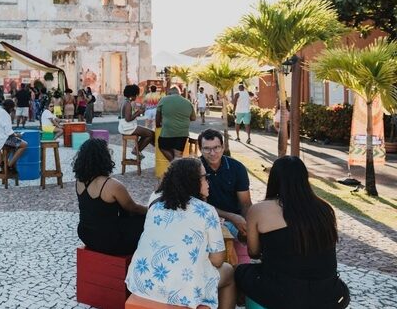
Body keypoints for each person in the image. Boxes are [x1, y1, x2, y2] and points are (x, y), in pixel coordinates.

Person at [235, 156, 350, 308]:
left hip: (285, 293)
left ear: (274, 180)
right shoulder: (324, 208)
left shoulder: (260, 210)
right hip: (329, 294)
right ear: (304, 179)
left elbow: (254, 253)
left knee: (240, 272)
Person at [126, 158, 235, 309]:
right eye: (205, 177)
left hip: (141, 282)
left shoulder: (155, 202)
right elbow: (217, 260)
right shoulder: (206, 211)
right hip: (181, 291)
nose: (208, 182)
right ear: (192, 181)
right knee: (228, 271)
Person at [74, 138, 147, 255]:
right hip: (108, 240)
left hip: (85, 234)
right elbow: (133, 208)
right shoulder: (112, 185)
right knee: (142, 220)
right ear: (104, 158)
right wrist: (150, 210)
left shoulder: (79, 181)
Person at [197, 129, 252, 242]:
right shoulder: (195, 169)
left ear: (223, 147)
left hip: (235, 220)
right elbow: (199, 206)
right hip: (205, 220)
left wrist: (246, 227)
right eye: (207, 148)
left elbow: (245, 203)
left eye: (216, 147)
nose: (212, 153)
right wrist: (231, 217)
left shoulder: (237, 168)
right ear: (200, 149)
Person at [156, 86, 196, 161]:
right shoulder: (188, 102)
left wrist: (158, 125)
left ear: (169, 93)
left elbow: (157, 116)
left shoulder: (163, 100)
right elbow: (193, 118)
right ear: (179, 93)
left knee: (162, 147)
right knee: (178, 154)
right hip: (182, 133)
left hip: (167, 133)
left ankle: (174, 163)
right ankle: (177, 163)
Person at [0, 99, 27, 168]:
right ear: (10, 109)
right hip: (1, 140)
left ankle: (3, 162)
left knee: (12, 144)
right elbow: (9, 133)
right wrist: (17, 135)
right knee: (24, 145)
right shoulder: (5, 115)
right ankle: (9, 166)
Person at [118, 85, 155, 157]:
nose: (136, 97)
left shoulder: (126, 102)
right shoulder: (128, 104)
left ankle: (137, 149)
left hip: (127, 126)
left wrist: (138, 112)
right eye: (136, 95)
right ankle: (137, 150)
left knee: (150, 133)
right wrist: (138, 113)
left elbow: (129, 116)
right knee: (150, 134)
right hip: (127, 127)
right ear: (133, 95)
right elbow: (128, 119)